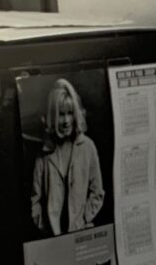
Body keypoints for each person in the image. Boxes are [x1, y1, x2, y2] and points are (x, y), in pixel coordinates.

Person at [31, 78, 105, 237]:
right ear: (52, 117)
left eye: (70, 113)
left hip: (82, 234)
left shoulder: (88, 147)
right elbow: (34, 200)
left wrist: (84, 219)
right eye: (61, 114)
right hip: (52, 239)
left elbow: (97, 192)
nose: (66, 121)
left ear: (76, 114)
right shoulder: (43, 155)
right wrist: (44, 227)